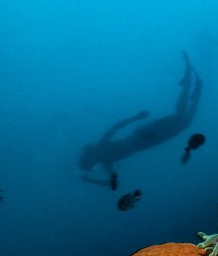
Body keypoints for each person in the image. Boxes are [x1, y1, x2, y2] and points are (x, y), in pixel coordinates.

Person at [78, 52, 202, 186]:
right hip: (143, 137)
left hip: (144, 140)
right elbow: (116, 127)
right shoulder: (104, 158)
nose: (94, 166)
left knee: (182, 121)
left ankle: (190, 87)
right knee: (181, 120)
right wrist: (136, 118)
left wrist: (136, 117)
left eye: (91, 165)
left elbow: (115, 128)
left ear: (91, 160)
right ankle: (189, 86)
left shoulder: (104, 157)